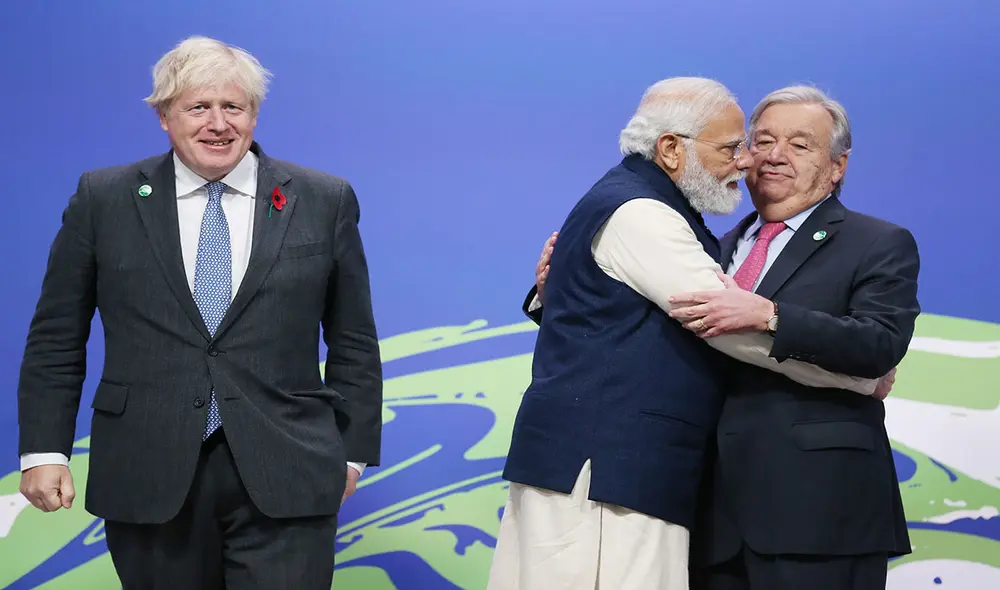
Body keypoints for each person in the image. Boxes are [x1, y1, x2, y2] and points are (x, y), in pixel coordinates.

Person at [487, 77, 884, 590]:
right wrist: (860, 380)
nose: (745, 162)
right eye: (730, 147)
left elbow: (616, 319)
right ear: (672, 149)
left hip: (611, 473)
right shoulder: (644, 213)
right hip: (609, 473)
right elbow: (726, 326)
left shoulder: (644, 205)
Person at [16, 36, 383, 589]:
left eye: (234, 107)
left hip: (289, 467)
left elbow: (353, 338)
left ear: (254, 114)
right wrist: (44, 449)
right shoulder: (104, 198)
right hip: (148, 467)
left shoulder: (323, 199)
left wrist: (351, 453)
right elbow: (56, 337)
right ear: (164, 116)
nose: (219, 123)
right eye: (198, 107)